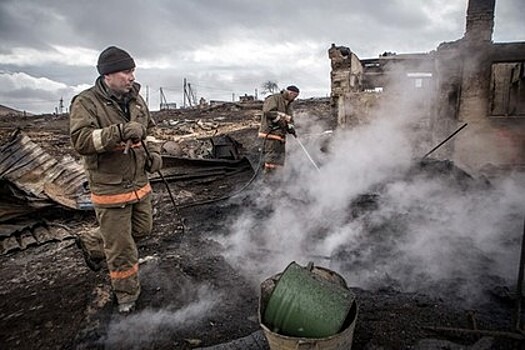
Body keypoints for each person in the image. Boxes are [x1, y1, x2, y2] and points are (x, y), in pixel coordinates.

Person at [69, 46, 162, 314]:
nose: (132, 77)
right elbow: (81, 141)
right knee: (121, 249)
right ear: (108, 75)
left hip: (138, 184)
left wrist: (153, 151)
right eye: (126, 71)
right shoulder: (86, 102)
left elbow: (151, 130)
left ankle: (95, 241)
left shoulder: (136, 100)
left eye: (133, 71)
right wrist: (118, 132)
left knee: (142, 231)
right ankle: (127, 298)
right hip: (110, 188)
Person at [258, 85, 300, 175]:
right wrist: (281, 122)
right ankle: (268, 181)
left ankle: (277, 180)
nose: (295, 98)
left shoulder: (288, 104)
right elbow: (268, 111)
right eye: (295, 96)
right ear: (290, 93)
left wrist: (291, 127)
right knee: (271, 160)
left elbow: (289, 118)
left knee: (279, 160)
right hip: (270, 134)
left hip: (280, 136)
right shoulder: (274, 98)